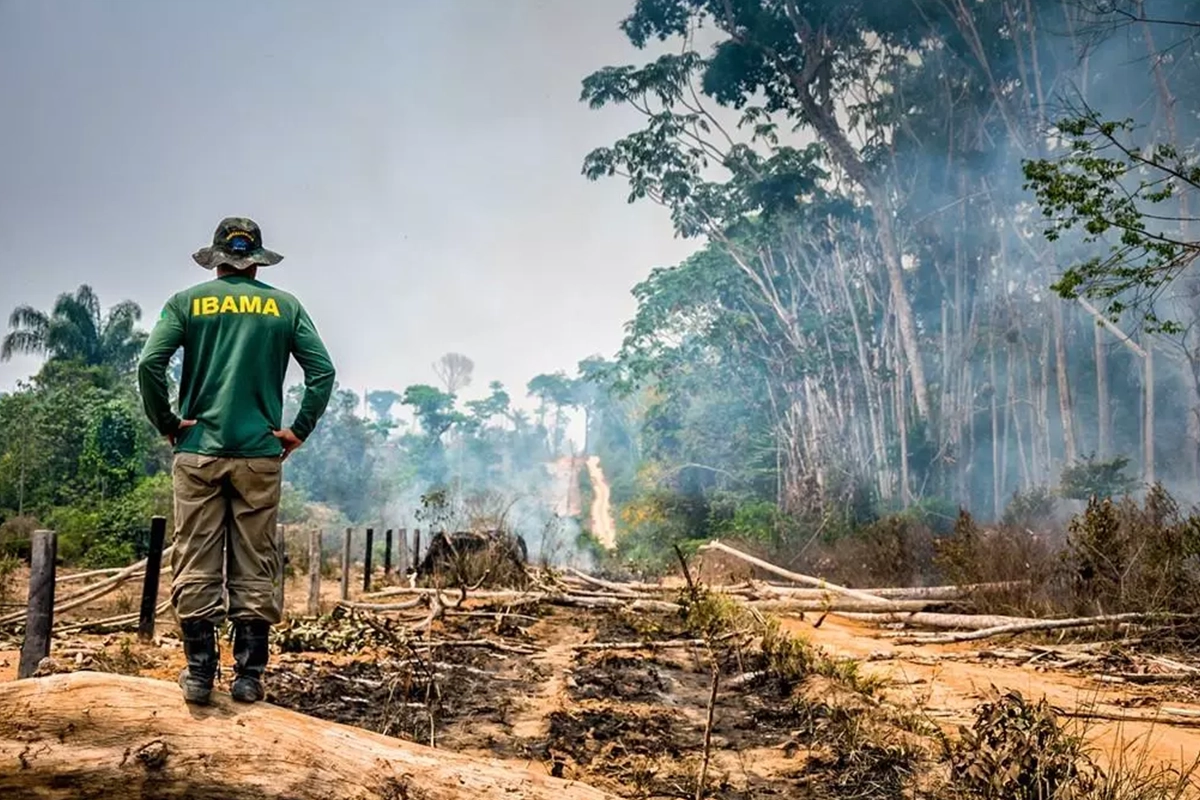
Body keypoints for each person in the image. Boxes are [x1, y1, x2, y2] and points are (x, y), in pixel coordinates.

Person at [137, 217, 335, 705]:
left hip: (199, 452)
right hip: (260, 455)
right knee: (255, 558)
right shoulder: (285, 307)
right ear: (257, 261)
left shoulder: (187, 303)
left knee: (195, 556)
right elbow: (322, 371)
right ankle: (249, 677)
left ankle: (200, 676)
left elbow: (149, 364)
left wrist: (167, 422)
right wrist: (298, 430)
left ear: (217, 258)